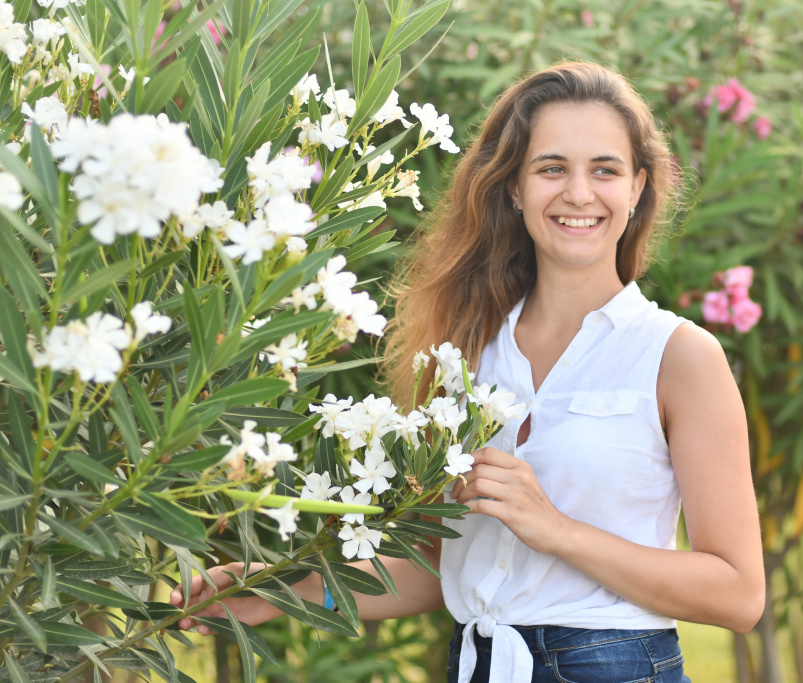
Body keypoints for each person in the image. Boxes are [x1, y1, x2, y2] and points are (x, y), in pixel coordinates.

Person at [171, 61, 764, 683]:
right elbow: (441, 564)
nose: (579, 193)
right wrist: (280, 589)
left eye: (605, 170)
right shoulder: (468, 350)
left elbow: (738, 594)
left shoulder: (678, 356)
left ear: (638, 187)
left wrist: (558, 531)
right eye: (551, 168)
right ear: (514, 188)